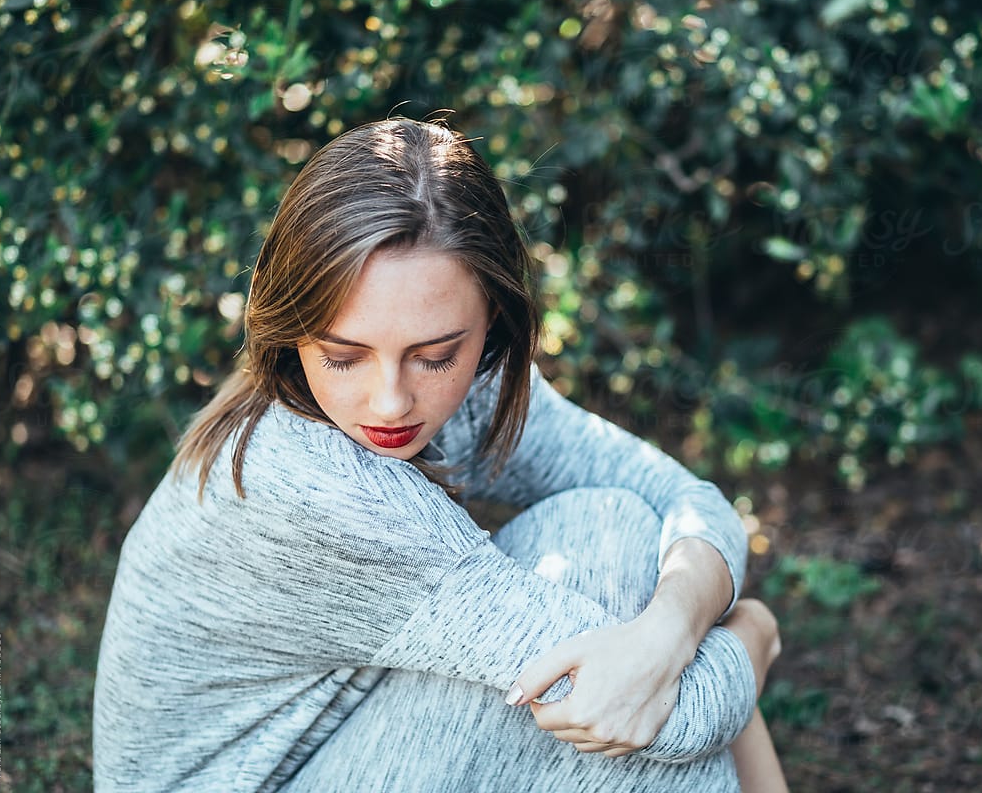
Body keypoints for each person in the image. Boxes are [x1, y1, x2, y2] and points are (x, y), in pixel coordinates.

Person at [93, 116, 789, 792]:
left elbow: (687, 502)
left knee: (615, 535)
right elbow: (665, 715)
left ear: (492, 319)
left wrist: (675, 625)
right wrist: (748, 633)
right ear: (290, 335)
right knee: (608, 554)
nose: (390, 402)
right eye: (342, 357)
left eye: (434, 356)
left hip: (336, 744)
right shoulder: (319, 490)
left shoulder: (479, 383)